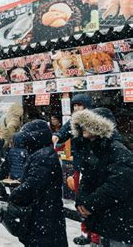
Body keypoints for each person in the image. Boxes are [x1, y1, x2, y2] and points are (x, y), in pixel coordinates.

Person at [71, 108, 133, 246]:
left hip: (121, 221)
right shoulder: (92, 149)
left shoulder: (117, 150)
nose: (83, 127)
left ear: (98, 126)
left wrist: (90, 204)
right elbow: (87, 178)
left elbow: (117, 186)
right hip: (106, 219)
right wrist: (81, 201)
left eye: (87, 123)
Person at [8, 120, 67, 247]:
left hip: (43, 217)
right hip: (44, 215)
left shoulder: (43, 156)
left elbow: (32, 185)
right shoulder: (42, 154)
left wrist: (14, 195)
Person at [52, 93, 94, 245]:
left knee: (94, 202)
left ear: (87, 106)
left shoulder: (94, 121)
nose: (76, 108)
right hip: (79, 167)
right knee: (81, 201)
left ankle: (95, 235)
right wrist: (57, 136)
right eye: (74, 105)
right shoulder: (73, 122)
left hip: (94, 168)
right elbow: (63, 132)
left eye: (79, 105)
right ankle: (85, 233)